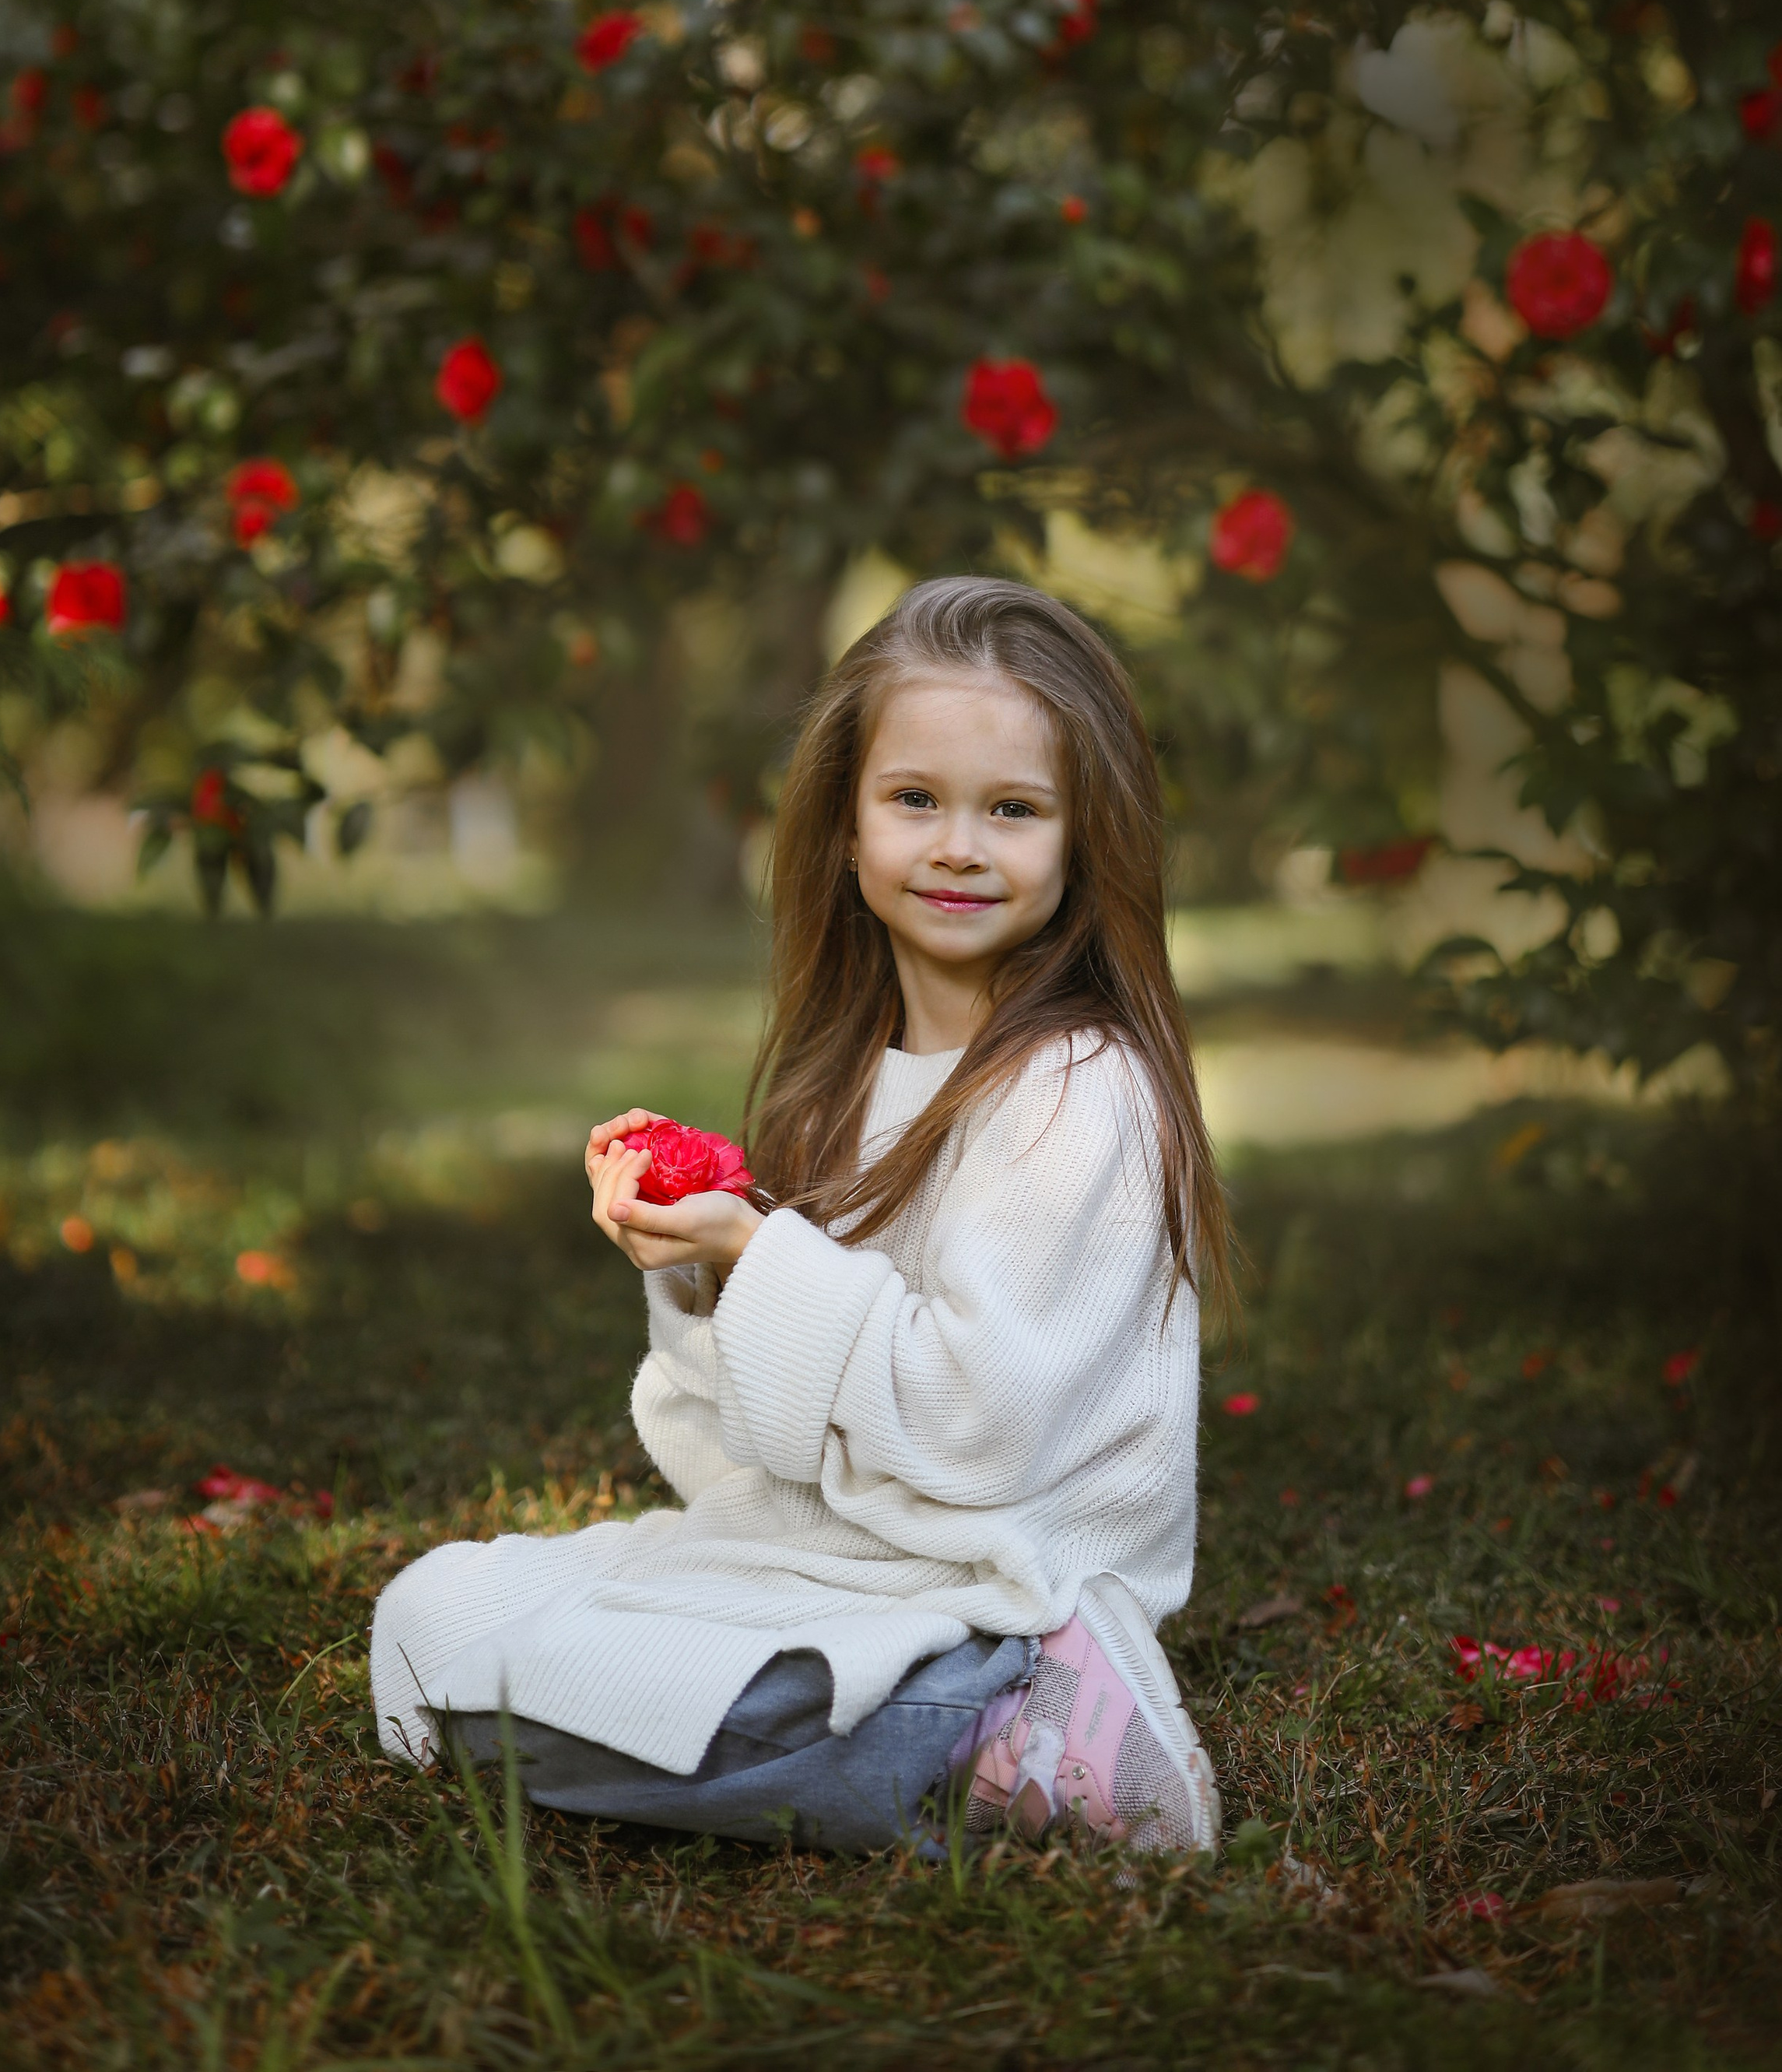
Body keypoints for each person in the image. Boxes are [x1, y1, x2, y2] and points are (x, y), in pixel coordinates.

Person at [370, 574, 1229, 1854]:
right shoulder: (849, 1077)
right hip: (846, 1563)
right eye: (915, 801)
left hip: (994, 1597)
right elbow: (738, 1461)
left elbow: (978, 1434)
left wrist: (761, 1253)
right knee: (434, 1615)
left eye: (1014, 810)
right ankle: (908, 1750)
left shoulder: (1076, 1091)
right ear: (846, 827)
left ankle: (1022, 1732)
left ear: (1081, 837)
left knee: (605, 1709)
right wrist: (702, 1268)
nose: (958, 846)